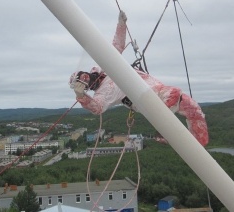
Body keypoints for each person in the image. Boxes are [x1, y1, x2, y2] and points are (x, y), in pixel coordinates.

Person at [69, 11, 209, 146]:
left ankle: (198, 143)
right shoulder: (103, 94)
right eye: (82, 81)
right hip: (145, 96)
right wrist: (81, 96)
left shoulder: (103, 67)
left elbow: (115, 47)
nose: (85, 77)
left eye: (83, 74)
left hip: (154, 87)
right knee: (172, 95)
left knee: (194, 109)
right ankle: (166, 131)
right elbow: (97, 108)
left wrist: (121, 25)